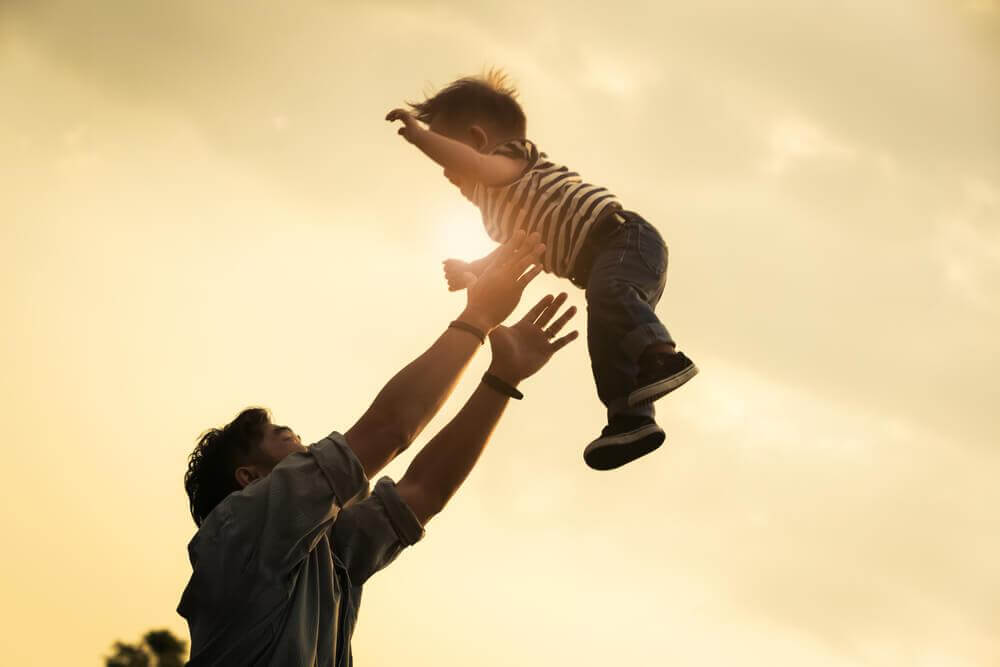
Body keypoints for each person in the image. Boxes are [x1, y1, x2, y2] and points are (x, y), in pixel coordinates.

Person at [177, 231, 578, 666]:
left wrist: (502, 378)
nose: (296, 434)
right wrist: (478, 317)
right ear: (249, 479)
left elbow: (423, 492)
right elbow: (389, 429)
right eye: (280, 435)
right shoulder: (240, 529)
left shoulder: (324, 555)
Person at [386, 69, 698, 470]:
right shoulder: (495, 214)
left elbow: (480, 168)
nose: (448, 172)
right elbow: (515, 251)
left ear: (479, 142)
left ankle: (663, 354)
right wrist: (474, 269)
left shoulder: (514, 159)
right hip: (605, 265)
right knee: (605, 342)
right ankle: (631, 419)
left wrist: (420, 137)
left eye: (450, 158)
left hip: (623, 239)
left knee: (612, 294)